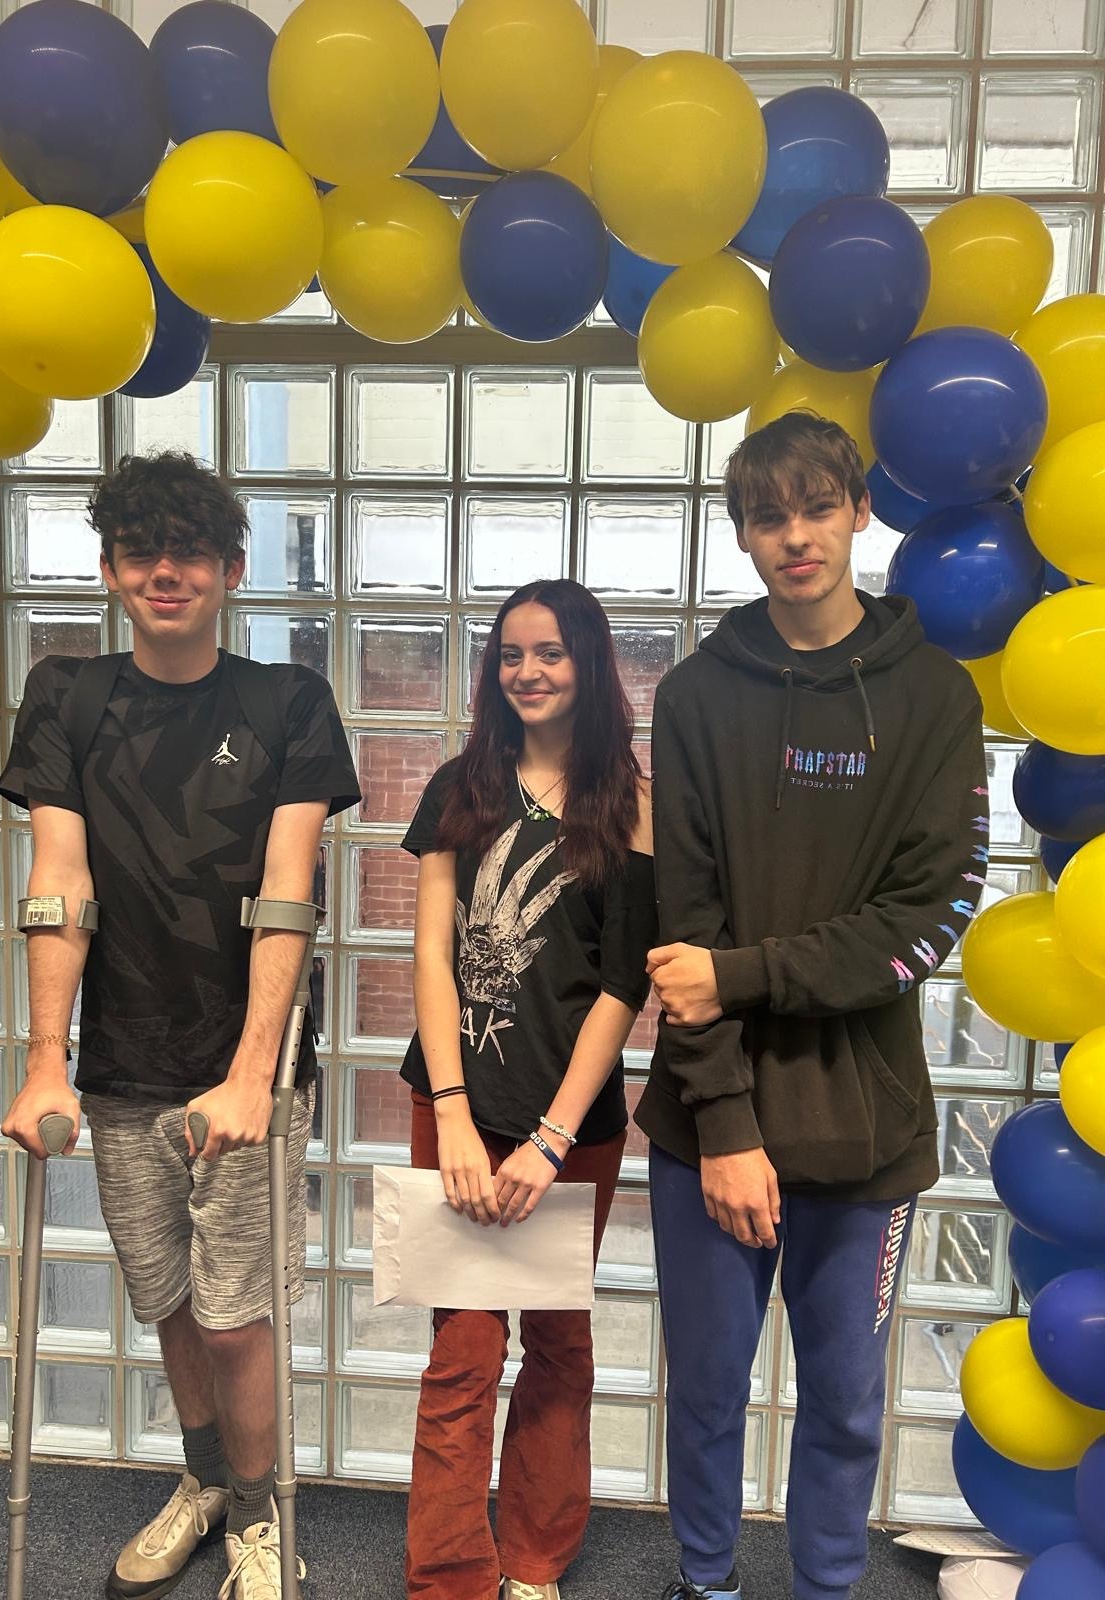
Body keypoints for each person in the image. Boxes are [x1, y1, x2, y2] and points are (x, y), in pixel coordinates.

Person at [0, 452, 360, 1600]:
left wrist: (254, 1076)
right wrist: (45, 1064)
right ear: (111, 570)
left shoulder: (288, 703)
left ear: (230, 569)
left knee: (237, 1313)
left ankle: (257, 1517)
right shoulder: (67, 695)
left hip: (245, 1066)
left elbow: (289, 893)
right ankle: (205, 1479)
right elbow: (59, 882)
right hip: (119, 1064)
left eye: (190, 551)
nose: (167, 570)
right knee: (167, 1300)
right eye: (142, 550)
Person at [638, 413, 988, 1600]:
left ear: (858, 512)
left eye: (817, 508)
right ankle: (706, 1582)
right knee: (705, 1389)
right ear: (743, 535)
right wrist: (727, 1126)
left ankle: (827, 1589)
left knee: (844, 1400)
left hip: (868, 1125)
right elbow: (682, 925)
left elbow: (922, 920)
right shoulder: (696, 697)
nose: (796, 537)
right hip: (709, 1115)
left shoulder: (934, 697)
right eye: (768, 516)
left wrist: (743, 973)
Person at [399, 579, 658, 1600]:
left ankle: (536, 1562)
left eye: (550, 651)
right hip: (454, 1107)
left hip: (573, 1128)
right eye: (511, 653)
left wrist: (550, 1139)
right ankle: (448, 1579)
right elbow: (432, 954)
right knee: (463, 1349)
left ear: (588, 663)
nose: (528, 671)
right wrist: (455, 1115)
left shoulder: (631, 803)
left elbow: (623, 984)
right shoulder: (459, 786)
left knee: (558, 1343)